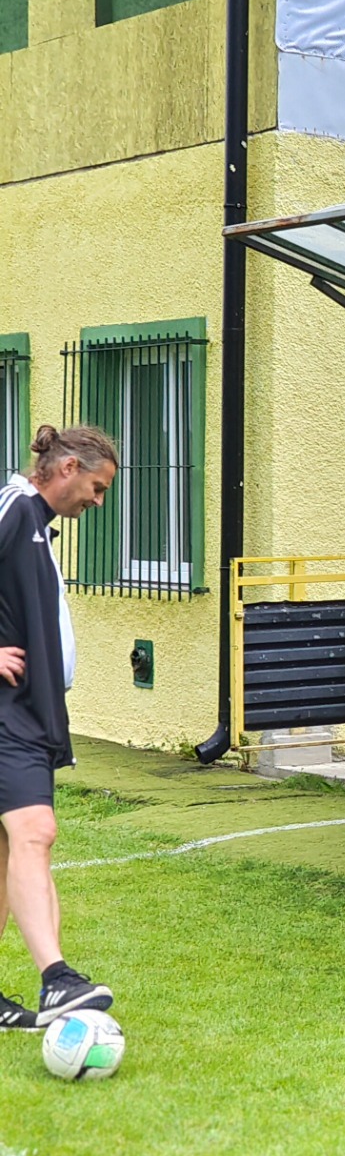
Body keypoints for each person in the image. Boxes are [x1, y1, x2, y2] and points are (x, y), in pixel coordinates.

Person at [0, 424, 120, 1026]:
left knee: (8, 848)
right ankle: (56, 979)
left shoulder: (35, 524)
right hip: (6, 712)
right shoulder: (13, 508)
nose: (97, 502)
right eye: (97, 488)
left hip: (30, 713)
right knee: (35, 832)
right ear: (68, 467)